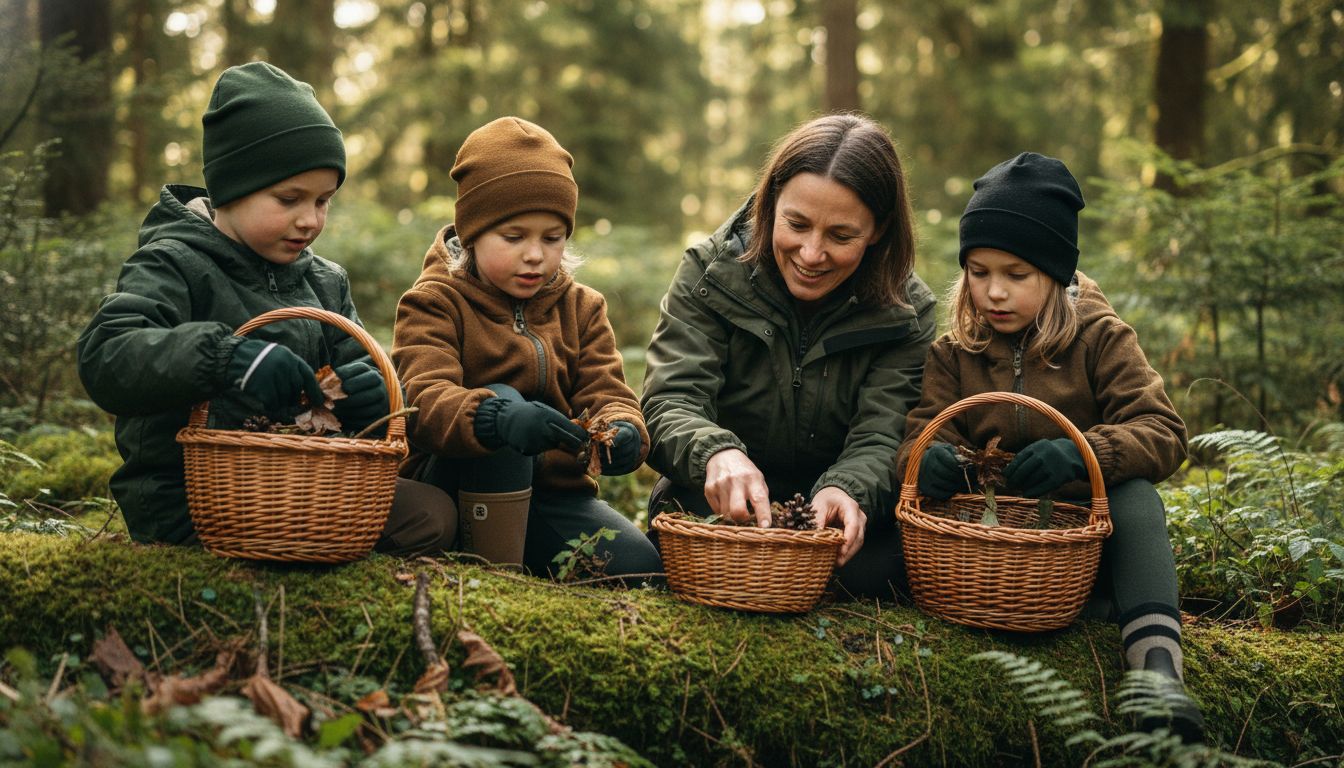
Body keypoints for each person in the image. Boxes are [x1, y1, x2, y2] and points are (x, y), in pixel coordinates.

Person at [77, 61, 455, 556]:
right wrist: (225, 358)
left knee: (433, 516)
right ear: (232, 188)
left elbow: (368, 375)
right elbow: (107, 354)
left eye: (323, 200)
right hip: (189, 503)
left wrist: (375, 396)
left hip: (304, 490)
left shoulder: (324, 281)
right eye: (289, 198)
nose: (309, 220)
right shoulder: (173, 262)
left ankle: (318, 567)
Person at [896, 152, 1204, 742]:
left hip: (1082, 545)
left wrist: (1083, 452)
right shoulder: (953, 352)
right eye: (979, 272)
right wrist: (923, 459)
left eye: (1017, 274)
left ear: (1056, 274)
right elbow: (919, 432)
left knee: (1137, 498)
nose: (994, 292)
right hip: (988, 544)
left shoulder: (1100, 338)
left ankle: (1158, 673)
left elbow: (1164, 430)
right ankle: (1056, 614)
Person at [641, 113, 937, 597]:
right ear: (770, 201)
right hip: (716, 510)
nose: (811, 253)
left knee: (885, 568)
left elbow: (887, 433)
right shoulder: (709, 272)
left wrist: (849, 490)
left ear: (879, 230)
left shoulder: (907, 312)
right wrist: (715, 453)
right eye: (796, 224)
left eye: (841, 237)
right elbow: (670, 400)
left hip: (840, 528)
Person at [392, 116, 661, 580]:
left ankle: (526, 556)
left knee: (639, 569)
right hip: (456, 486)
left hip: (555, 496)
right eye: (514, 237)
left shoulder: (582, 308)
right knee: (503, 397)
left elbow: (607, 391)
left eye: (552, 238)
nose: (535, 254)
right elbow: (422, 400)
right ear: (472, 234)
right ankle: (489, 569)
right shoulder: (434, 302)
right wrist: (494, 419)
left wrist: (623, 429)